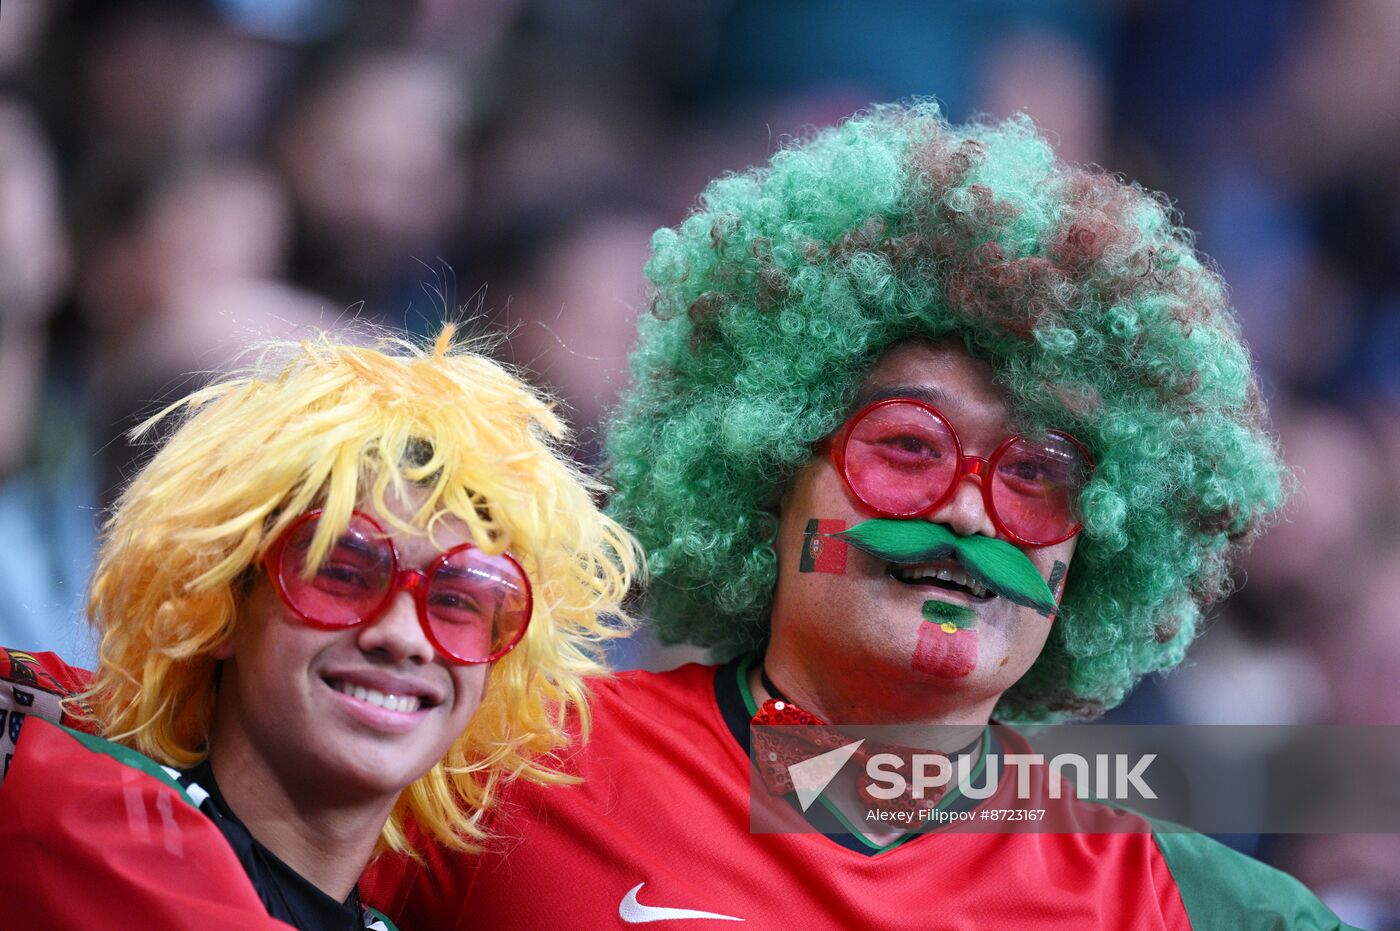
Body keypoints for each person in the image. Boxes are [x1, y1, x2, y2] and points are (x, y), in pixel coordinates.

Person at [364, 104, 1357, 928]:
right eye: (907, 450)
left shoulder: (1194, 907)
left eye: (1036, 477)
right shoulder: (502, 760)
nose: (970, 514)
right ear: (768, 473)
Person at [0, 327, 638, 930]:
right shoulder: (78, 828)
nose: (403, 635)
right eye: (341, 571)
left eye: (462, 599)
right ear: (217, 603)